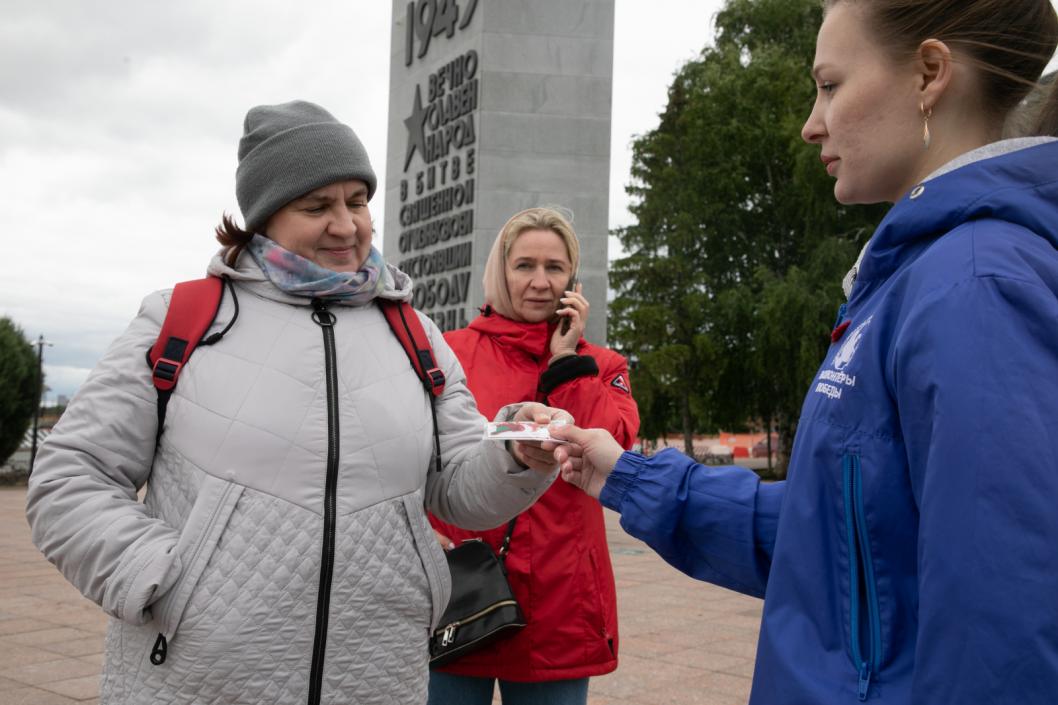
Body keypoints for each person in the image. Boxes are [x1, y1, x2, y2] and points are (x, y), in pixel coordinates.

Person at [547, 1, 1058, 703]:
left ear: (931, 74)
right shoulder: (924, 278)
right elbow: (844, 539)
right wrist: (628, 477)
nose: (810, 122)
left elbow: (1006, 632)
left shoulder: (973, 283)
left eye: (830, 84)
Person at [25, 100, 569, 705]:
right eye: (317, 207)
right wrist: (165, 580)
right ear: (264, 218)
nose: (346, 226)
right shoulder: (182, 319)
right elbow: (69, 476)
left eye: (357, 201)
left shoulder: (414, 334)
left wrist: (516, 452)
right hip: (197, 681)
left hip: (378, 678)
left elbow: (461, 490)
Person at [426, 208, 640, 705]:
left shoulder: (600, 365)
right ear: (499, 272)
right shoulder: (447, 353)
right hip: (461, 588)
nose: (540, 282)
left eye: (555, 267)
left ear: (573, 279)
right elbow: (409, 446)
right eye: (524, 265)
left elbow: (616, 451)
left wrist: (568, 364)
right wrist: (418, 520)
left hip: (562, 599)